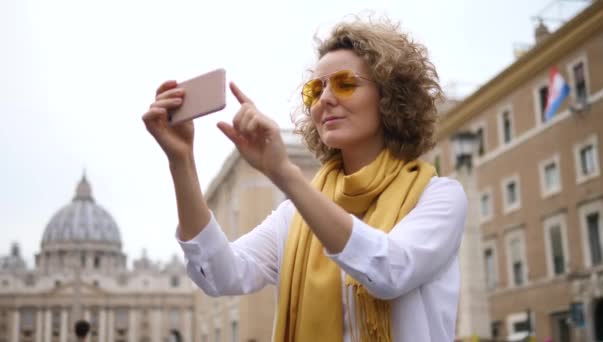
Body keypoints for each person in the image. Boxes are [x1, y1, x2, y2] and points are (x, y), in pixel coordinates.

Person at [143, 16, 466, 342]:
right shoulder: (295, 216)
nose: (325, 98)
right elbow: (218, 274)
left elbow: (388, 270)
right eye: (316, 89)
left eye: (344, 83)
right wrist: (180, 160)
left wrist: (285, 175)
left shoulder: (438, 196)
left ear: (390, 97)